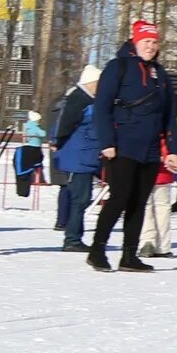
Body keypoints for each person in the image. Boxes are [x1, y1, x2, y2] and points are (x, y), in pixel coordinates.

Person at [86, 19, 177, 272]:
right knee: (119, 198)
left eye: (154, 42)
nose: (151, 46)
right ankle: (97, 250)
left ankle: (129, 255)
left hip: (149, 149)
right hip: (122, 145)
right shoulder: (118, 67)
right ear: (135, 42)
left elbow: (170, 115)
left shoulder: (161, 74)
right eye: (146, 41)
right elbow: (102, 108)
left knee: (139, 202)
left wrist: (173, 150)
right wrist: (106, 142)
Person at [50, 66, 101, 251]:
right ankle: (72, 239)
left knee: (81, 198)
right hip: (80, 155)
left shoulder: (81, 98)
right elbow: (66, 123)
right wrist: (59, 141)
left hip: (83, 154)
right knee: (80, 198)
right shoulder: (80, 100)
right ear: (91, 83)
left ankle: (74, 236)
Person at [13, 108, 46, 198]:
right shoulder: (34, 127)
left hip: (30, 146)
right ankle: (39, 179)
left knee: (36, 165)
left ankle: (38, 178)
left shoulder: (28, 126)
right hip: (35, 147)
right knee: (37, 164)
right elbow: (42, 134)